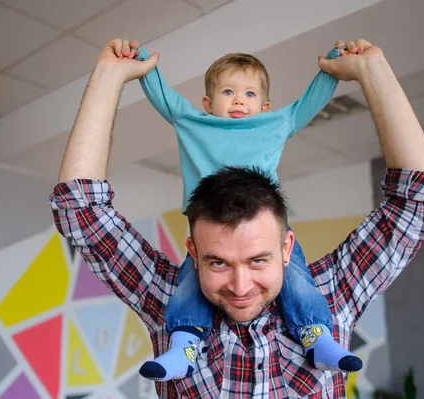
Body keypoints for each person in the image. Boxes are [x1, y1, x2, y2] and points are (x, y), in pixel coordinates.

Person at [50, 38, 424, 398]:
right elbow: (80, 211)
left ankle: (316, 337)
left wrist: (371, 71)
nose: (240, 286)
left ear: (286, 245)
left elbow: (418, 203)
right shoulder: (166, 299)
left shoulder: (332, 294)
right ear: (193, 249)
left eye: (259, 259)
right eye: (217, 262)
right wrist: (109, 75)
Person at [130, 41, 361, 381]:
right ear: (208, 103)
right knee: (191, 284)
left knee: (296, 278)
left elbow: (307, 105)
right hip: (214, 234)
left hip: (262, 230)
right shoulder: (193, 121)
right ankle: (184, 346)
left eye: (250, 94)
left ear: (265, 106)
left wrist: (331, 66)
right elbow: (163, 94)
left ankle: (317, 338)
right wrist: (140, 62)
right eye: (228, 91)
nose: (239, 100)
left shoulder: (273, 123)